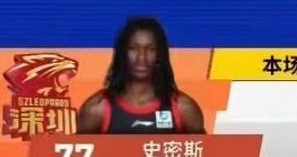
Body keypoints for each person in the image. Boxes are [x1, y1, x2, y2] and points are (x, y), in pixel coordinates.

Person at [77, 17, 205, 134]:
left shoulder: (184, 109)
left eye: (150, 49)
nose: (141, 57)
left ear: (160, 54)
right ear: (122, 53)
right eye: (133, 48)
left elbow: (206, 148)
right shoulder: (96, 109)